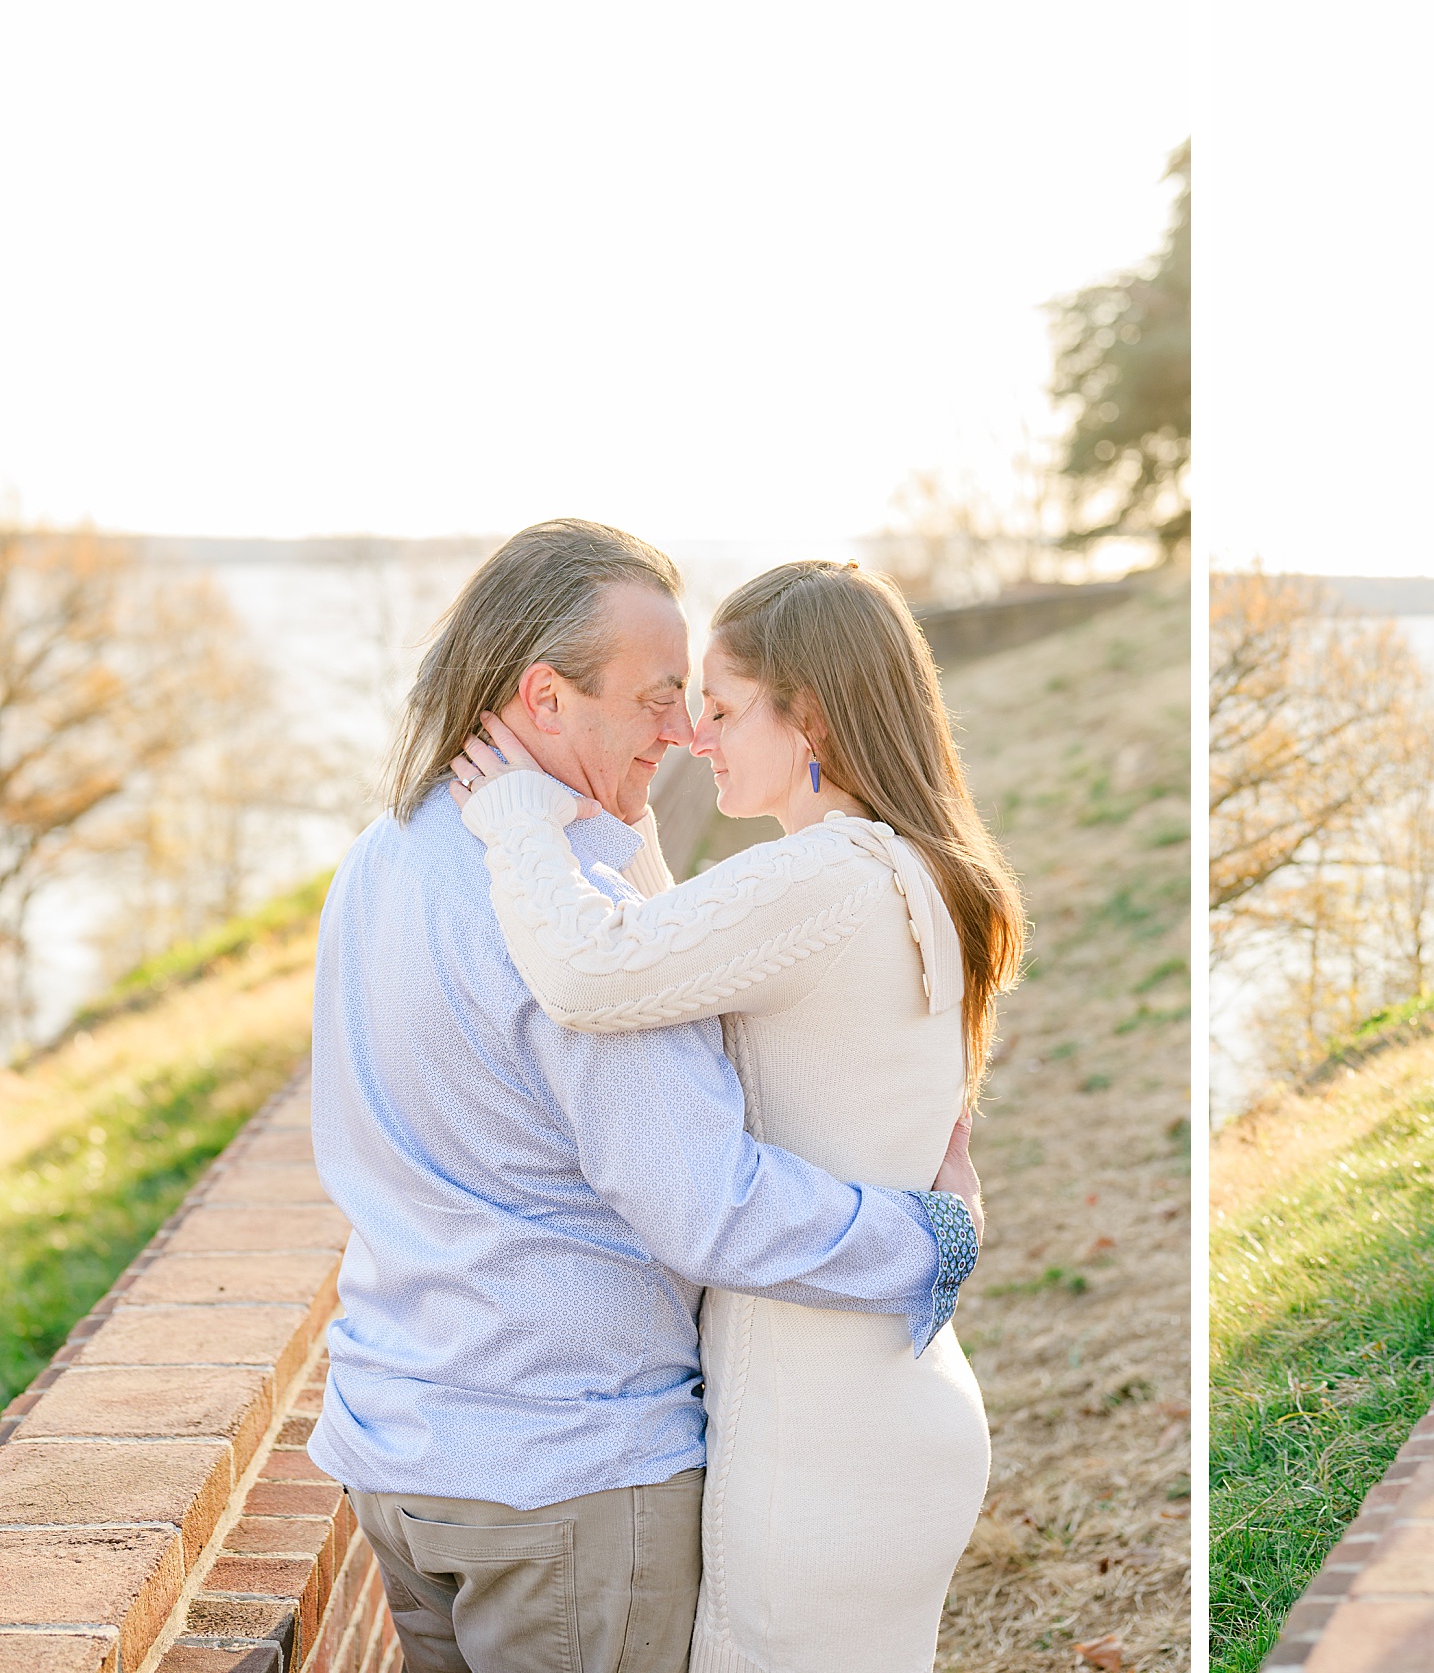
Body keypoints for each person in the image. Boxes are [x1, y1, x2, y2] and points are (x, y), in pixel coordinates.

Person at [307, 521, 982, 1673]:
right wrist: (928, 1242)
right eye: (661, 696)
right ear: (545, 697)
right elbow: (705, 1202)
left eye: (703, 702)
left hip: (397, 1455)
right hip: (568, 1480)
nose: (680, 733)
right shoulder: (556, 905)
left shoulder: (380, 858)